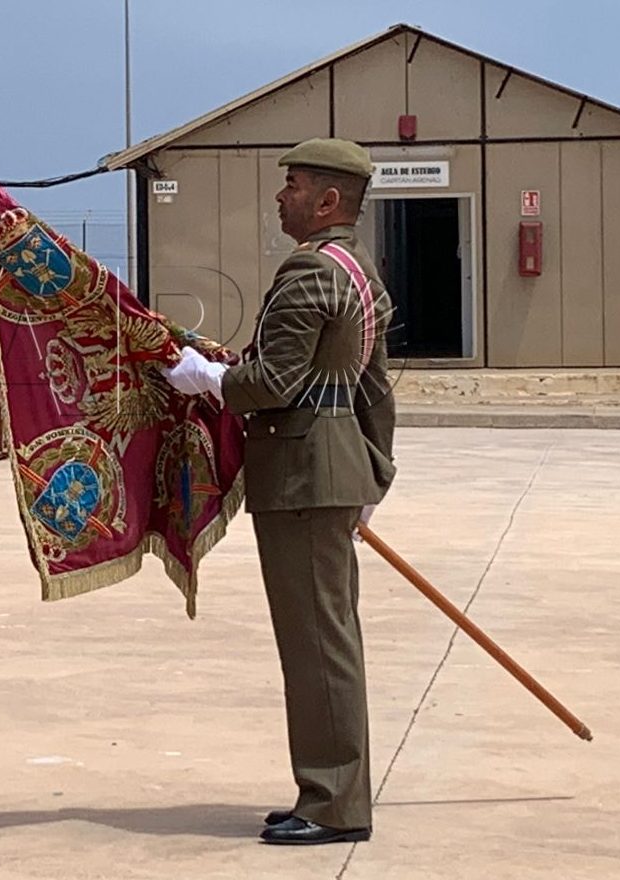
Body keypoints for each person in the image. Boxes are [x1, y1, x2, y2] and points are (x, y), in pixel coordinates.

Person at [163, 138, 397, 846]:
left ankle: (331, 802)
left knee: (317, 645)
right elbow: (372, 390)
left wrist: (202, 378)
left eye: (291, 184)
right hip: (330, 471)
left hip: (302, 475)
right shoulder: (358, 273)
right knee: (327, 638)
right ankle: (328, 789)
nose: (279, 195)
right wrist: (373, 472)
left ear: (327, 201)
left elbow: (272, 384)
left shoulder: (306, 271)